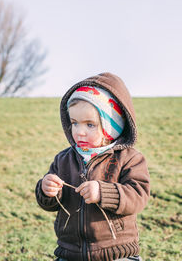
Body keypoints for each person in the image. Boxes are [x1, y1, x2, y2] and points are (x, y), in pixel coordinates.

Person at [35, 72, 150, 261]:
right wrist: (46, 190)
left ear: (110, 127)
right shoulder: (64, 159)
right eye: (74, 123)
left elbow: (138, 196)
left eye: (90, 125)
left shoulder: (129, 159)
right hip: (70, 253)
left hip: (116, 253)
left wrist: (103, 192)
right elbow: (50, 204)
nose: (79, 131)